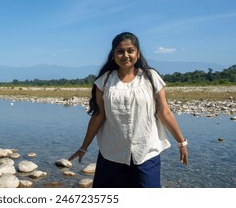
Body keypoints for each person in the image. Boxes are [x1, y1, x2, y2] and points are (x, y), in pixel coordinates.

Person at [69, 32, 188, 188]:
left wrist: (181, 142)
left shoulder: (150, 77)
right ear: (113, 55)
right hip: (112, 154)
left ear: (137, 54)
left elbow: (164, 112)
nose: (125, 55)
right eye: (120, 51)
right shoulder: (104, 81)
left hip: (146, 153)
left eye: (130, 50)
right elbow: (98, 116)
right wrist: (83, 147)